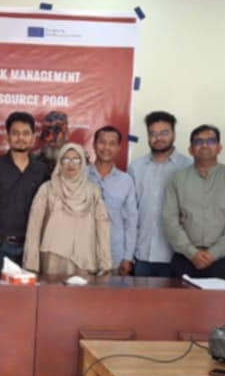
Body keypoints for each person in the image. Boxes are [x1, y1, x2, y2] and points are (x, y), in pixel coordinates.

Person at [162, 125, 225, 279]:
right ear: (190, 149)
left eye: (211, 141)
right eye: (198, 142)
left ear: (219, 147)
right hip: (185, 258)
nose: (204, 145)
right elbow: (169, 220)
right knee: (179, 296)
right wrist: (192, 253)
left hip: (222, 260)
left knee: (219, 297)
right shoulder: (177, 178)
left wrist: (214, 253)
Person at [24, 143, 112, 278]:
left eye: (76, 159)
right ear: (59, 163)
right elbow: (34, 227)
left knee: (81, 291)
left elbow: (102, 228)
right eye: (66, 159)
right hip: (53, 257)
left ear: (83, 163)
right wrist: (31, 263)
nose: (71, 164)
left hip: (84, 258)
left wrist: (105, 262)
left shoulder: (92, 191)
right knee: (53, 290)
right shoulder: (47, 189)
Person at [0, 112, 51, 275]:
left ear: (33, 138)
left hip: (30, 247)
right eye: (15, 133)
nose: (21, 138)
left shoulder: (41, 170)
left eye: (26, 133)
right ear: (8, 137)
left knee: (28, 291)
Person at [129, 111, 191, 276]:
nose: (158, 138)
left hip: (177, 256)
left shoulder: (188, 167)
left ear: (174, 134)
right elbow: (130, 213)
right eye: (153, 134)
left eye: (164, 133)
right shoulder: (136, 167)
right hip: (142, 254)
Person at [87, 126, 138, 276]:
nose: (106, 147)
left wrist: (128, 257)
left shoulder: (126, 181)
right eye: (102, 142)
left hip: (115, 255)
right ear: (94, 145)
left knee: (111, 291)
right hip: (83, 254)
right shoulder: (80, 176)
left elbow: (131, 222)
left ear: (118, 148)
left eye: (112, 143)